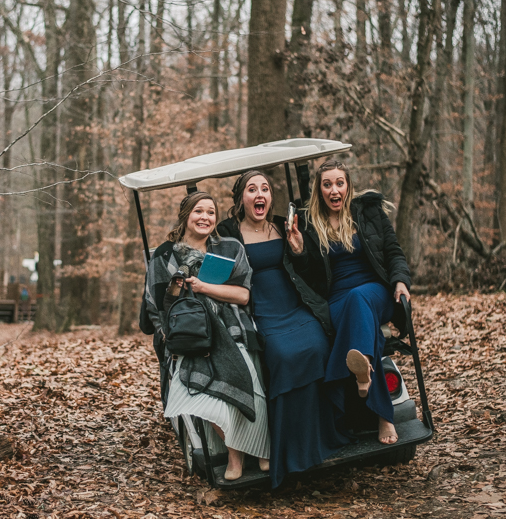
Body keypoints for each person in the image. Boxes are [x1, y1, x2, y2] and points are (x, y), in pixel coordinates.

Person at [217, 171, 349, 488]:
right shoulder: (228, 232)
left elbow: (308, 271)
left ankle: (319, 440)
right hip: (260, 311)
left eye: (265, 188)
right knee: (284, 355)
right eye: (252, 189)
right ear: (241, 199)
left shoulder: (282, 224)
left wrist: (299, 249)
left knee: (318, 345)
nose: (259, 194)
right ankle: (288, 449)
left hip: (294, 305)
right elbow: (218, 273)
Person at [142, 191, 270, 481]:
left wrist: (203, 288)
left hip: (232, 326)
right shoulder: (164, 256)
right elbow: (155, 305)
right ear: (186, 215)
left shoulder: (229, 248)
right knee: (203, 392)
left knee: (248, 374)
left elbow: (243, 295)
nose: (205, 218)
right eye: (199, 211)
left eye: (211, 212)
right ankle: (235, 453)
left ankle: (263, 450)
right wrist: (170, 335)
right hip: (190, 334)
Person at [297, 159, 412, 445]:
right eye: (327, 184)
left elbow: (394, 252)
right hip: (337, 300)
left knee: (360, 299)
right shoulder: (309, 224)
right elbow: (309, 278)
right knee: (357, 311)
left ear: (348, 186)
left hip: (375, 291)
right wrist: (299, 251)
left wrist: (400, 281)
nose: (334, 190)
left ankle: (365, 376)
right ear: (319, 189)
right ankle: (382, 415)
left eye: (339, 183)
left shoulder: (368, 211)